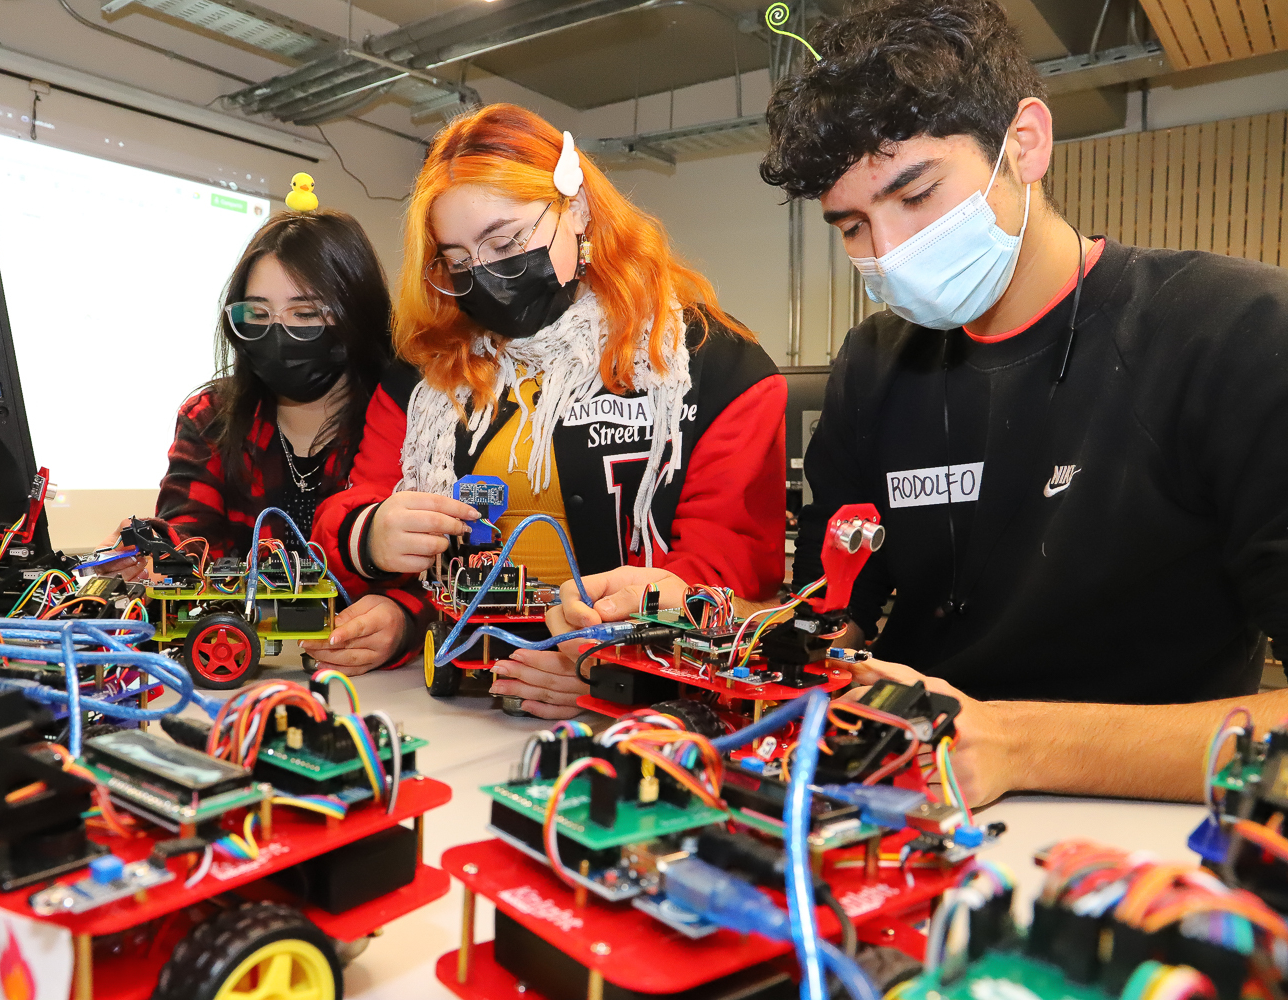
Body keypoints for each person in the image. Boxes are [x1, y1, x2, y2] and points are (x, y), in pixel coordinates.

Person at [551, 0, 1288, 804]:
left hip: (1137, 829)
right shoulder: (874, 364)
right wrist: (696, 615)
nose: (889, 250)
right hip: (906, 792)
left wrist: (1013, 744)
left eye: (916, 196)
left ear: (1025, 146)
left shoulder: (1234, 333)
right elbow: (830, 617)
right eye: (853, 227)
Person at [312, 103, 787, 718]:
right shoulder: (421, 377)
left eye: (506, 240)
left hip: (645, 719)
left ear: (579, 209)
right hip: (456, 697)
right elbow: (350, 513)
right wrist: (375, 545)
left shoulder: (713, 366)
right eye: (458, 261)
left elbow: (732, 580)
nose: (485, 275)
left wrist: (614, 666)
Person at [117, 210, 425, 673]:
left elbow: (445, 572)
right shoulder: (210, 420)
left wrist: (404, 620)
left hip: (380, 694)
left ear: (357, 315)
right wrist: (149, 554)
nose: (278, 334)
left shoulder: (410, 420)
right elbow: (190, 543)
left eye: (304, 313)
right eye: (257, 314)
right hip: (236, 675)